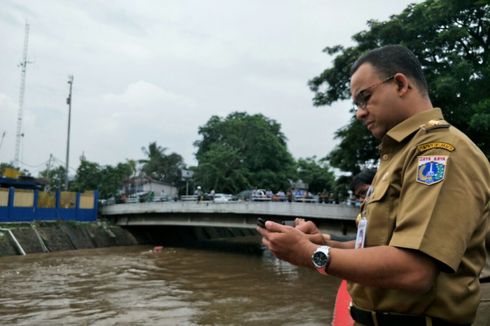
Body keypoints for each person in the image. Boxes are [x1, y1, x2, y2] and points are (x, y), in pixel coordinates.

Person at [258, 45, 490, 325]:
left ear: (401, 84)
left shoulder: (439, 152)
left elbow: (414, 270)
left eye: (365, 98)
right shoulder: (398, 155)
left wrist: (311, 255)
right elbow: (382, 249)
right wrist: (324, 243)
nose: (359, 113)